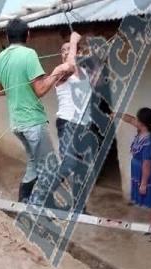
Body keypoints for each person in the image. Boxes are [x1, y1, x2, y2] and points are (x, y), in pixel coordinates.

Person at [0, 17, 74, 204]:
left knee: (33, 164)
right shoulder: (28, 54)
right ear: (28, 35)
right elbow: (40, 90)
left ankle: (24, 200)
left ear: (7, 36)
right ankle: (44, 206)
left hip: (17, 124)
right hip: (32, 122)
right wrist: (57, 70)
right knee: (50, 168)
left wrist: (16, 87)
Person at [54, 31, 94, 212]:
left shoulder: (84, 72)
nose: (65, 53)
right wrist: (73, 41)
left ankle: (80, 206)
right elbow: (70, 66)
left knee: (81, 169)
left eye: (68, 50)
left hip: (83, 126)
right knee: (69, 164)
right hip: (67, 124)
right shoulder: (60, 71)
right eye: (62, 50)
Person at [122, 107, 151, 241]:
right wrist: (116, 114)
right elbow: (129, 119)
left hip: (150, 176)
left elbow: (147, 164)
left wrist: (143, 183)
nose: (134, 120)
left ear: (141, 122)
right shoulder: (142, 131)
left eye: (137, 118)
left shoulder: (149, 141)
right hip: (142, 173)